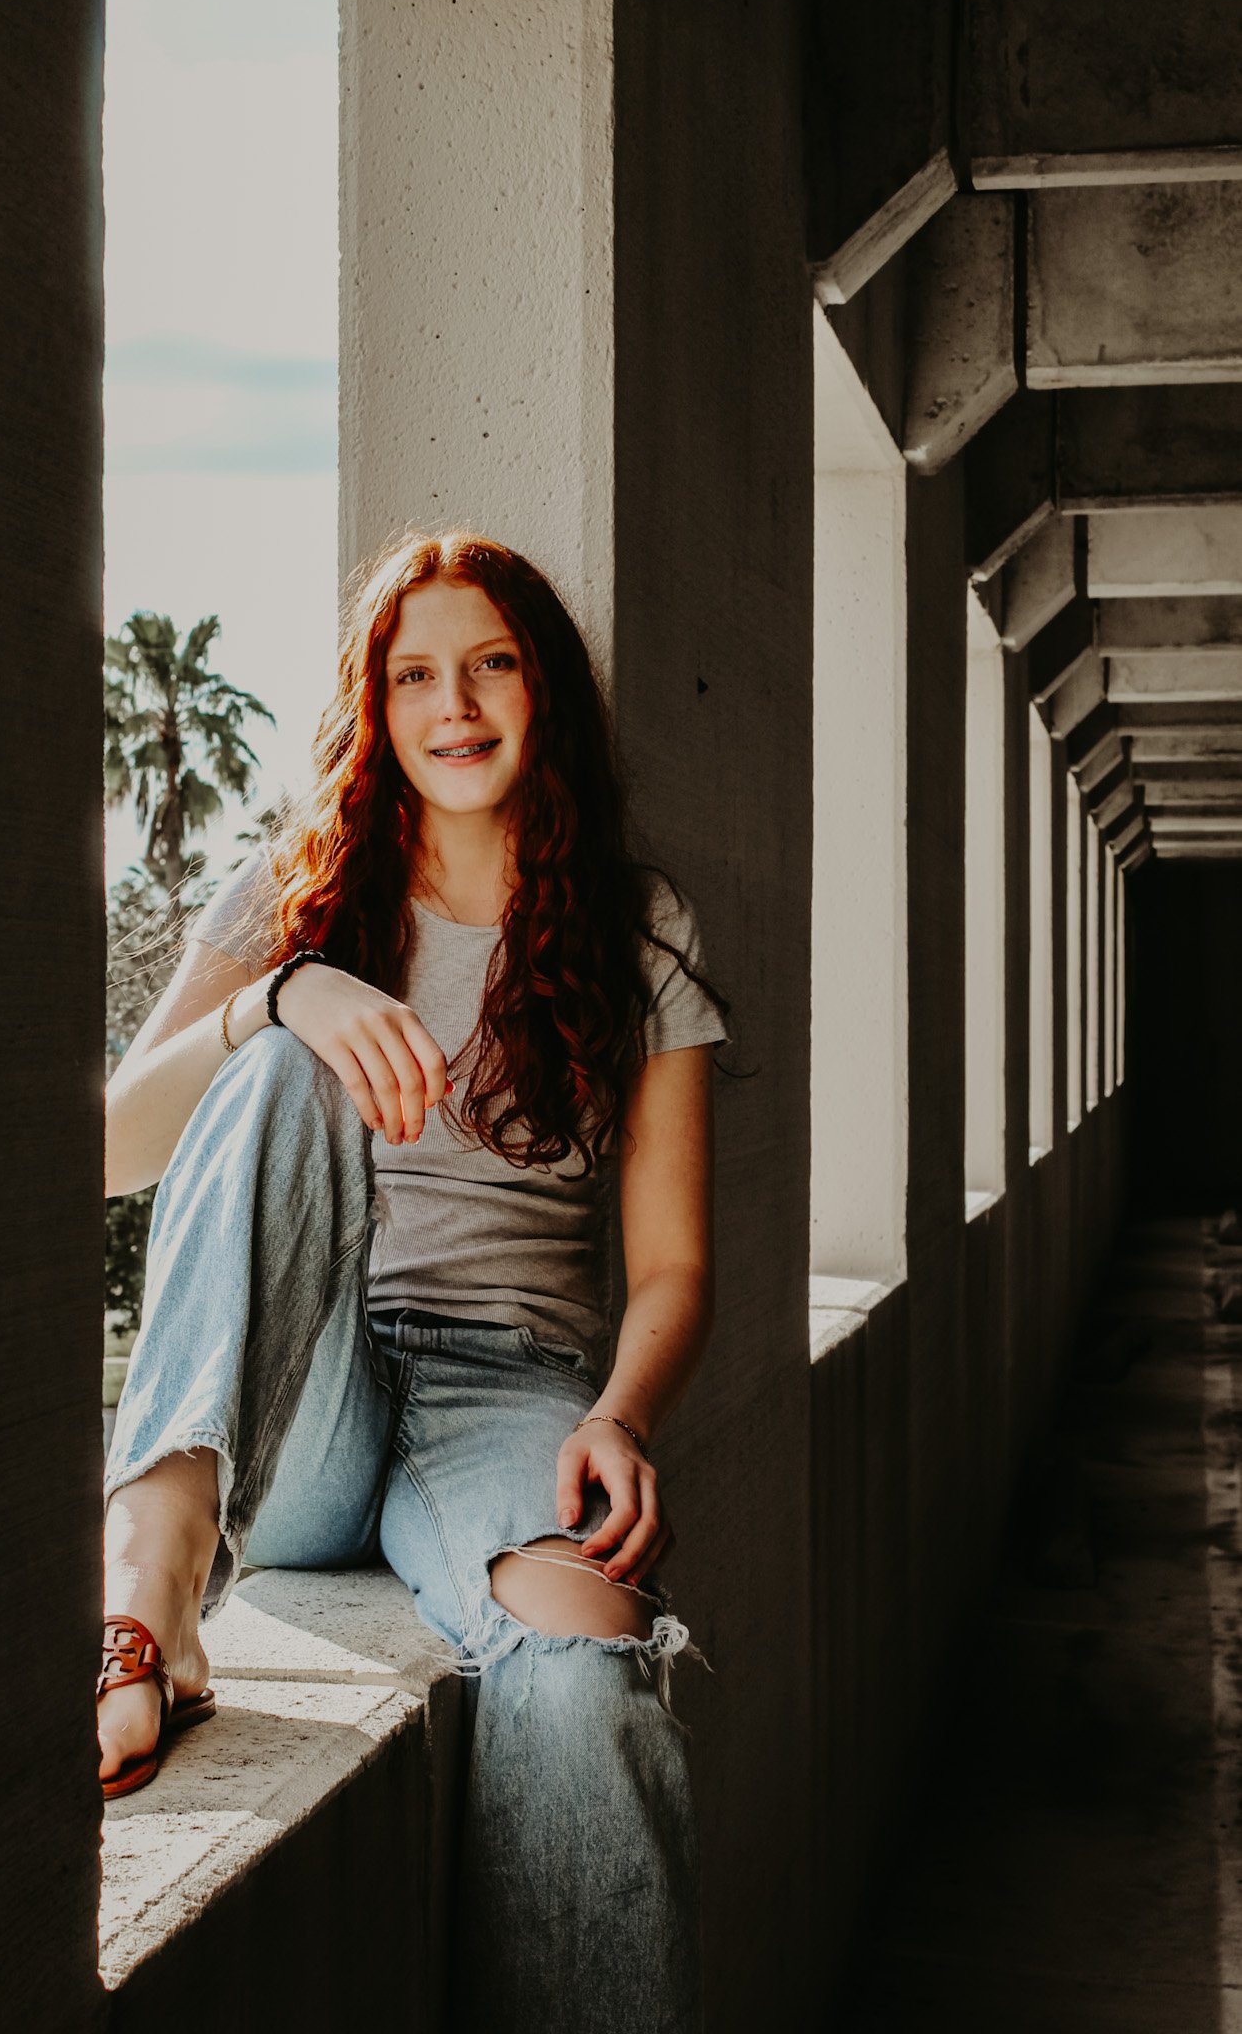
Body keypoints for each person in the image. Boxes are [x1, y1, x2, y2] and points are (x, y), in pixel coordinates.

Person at [98, 529, 730, 2031]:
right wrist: (279, 992)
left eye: (491, 663)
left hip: (503, 1390)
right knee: (281, 1070)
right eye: (414, 674)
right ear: (374, 712)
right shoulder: (291, 897)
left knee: (590, 1682)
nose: (456, 704)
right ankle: (148, 1600)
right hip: (301, 1383)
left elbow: (672, 1263)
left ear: (543, 692)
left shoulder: (635, 931)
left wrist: (623, 1415)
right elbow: (110, 1150)